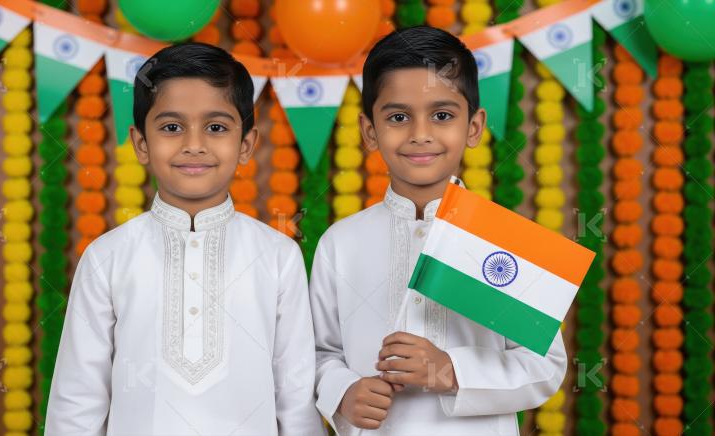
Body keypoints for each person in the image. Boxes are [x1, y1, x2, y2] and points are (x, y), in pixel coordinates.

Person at [46, 42, 325, 436]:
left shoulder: (278, 255)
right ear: (141, 143)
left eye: (216, 127)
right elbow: (78, 398)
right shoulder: (107, 257)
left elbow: (295, 397)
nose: (194, 145)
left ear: (246, 144)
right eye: (171, 127)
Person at [309, 26, 567, 435]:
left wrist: (450, 370)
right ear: (369, 130)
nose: (420, 134)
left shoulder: (504, 240)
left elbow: (544, 366)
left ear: (474, 127)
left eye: (442, 115)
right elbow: (320, 352)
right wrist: (342, 391)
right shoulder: (340, 243)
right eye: (398, 117)